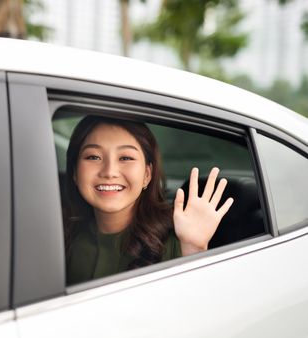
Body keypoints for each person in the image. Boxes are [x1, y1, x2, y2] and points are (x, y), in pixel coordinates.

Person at [64, 116, 234, 285]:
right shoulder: (66, 238)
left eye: (125, 158)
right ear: (74, 173)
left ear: (147, 175)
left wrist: (195, 249)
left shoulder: (176, 242)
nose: (109, 172)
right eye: (93, 157)